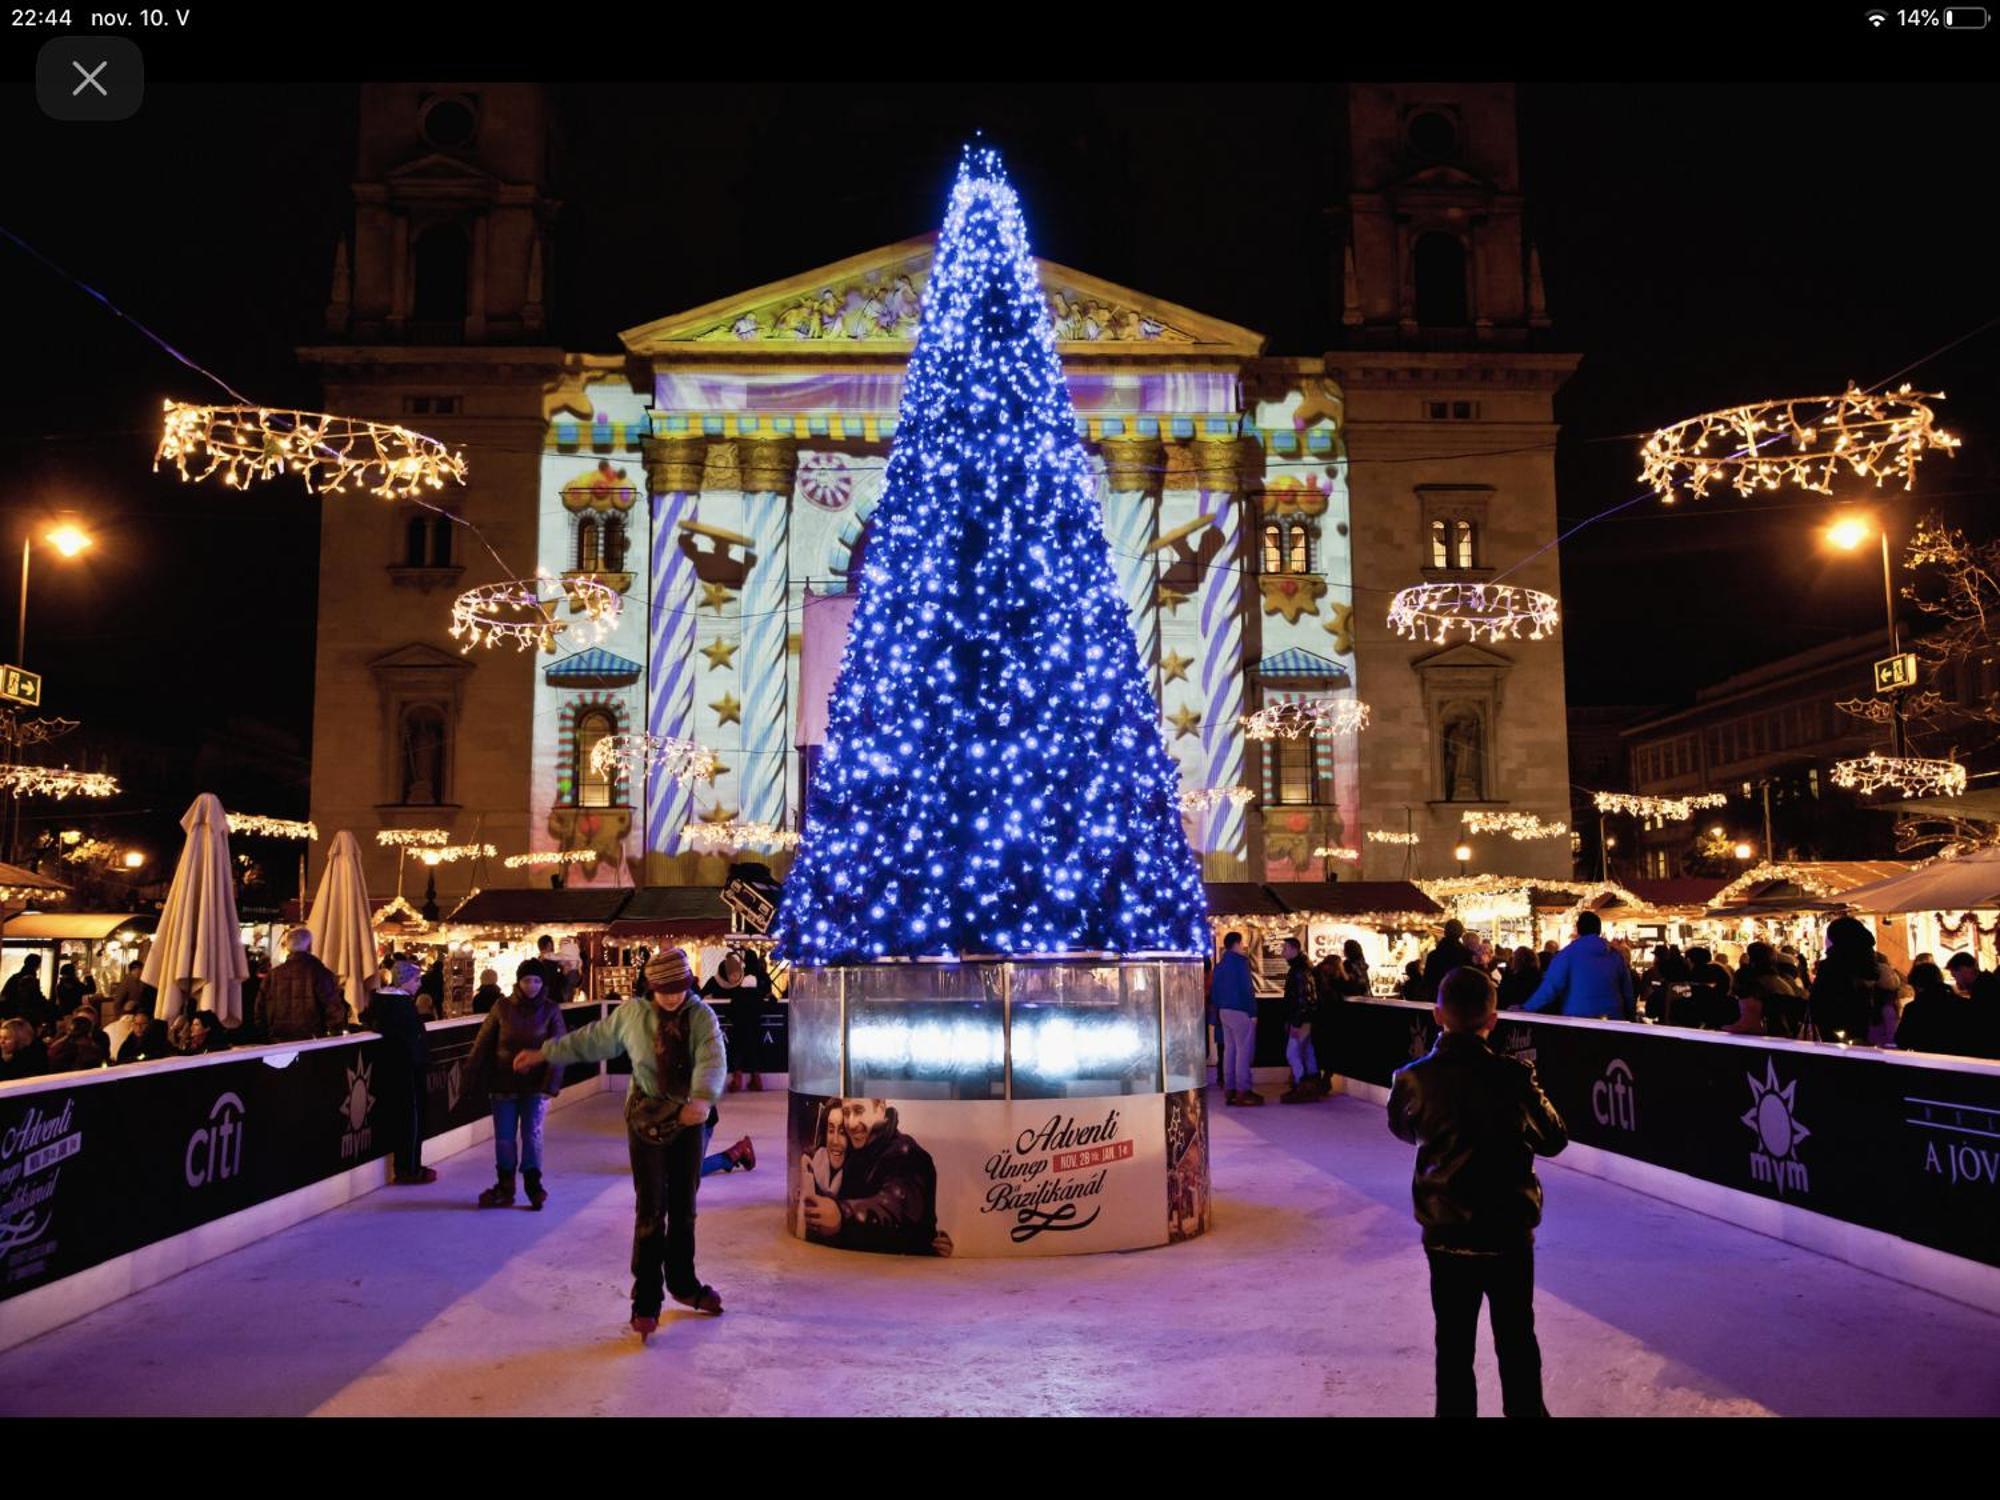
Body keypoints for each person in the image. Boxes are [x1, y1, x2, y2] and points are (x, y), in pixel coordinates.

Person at [515, 948, 726, 1340]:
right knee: (651, 1209)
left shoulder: (700, 1016)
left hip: (688, 1121)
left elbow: (712, 1056)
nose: (672, 997)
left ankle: (682, 1282)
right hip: (645, 1120)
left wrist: (701, 1097)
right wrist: (545, 1052)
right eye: (665, 990)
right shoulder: (633, 1015)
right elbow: (590, 1041)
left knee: (684, 1206)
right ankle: (646, 1300)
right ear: (651, 988)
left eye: (679, 988)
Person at [1389, 966, 1567, 1419]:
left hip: (1445, 1231)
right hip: (1507, 1230)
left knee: (1452, 1343)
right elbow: (1554, 1138)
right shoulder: (1515, 1077)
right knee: (1516, 1338)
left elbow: (1403, 1129)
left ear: (1436, 1015)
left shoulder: (1412, 1079)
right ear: (1493, 1020)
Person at [467, 960, 568, 1210]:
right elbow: (483, 1043)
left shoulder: (551, 1010)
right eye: (526, 980)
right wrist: (471, 1076)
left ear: (543, 983)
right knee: (504, 1138)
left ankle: (533, 1185)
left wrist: (550, 1085)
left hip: (535, 1087)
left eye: (536, 980)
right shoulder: (501, 1007)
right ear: (518, 982)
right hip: (502, 1084)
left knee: (532, 1135)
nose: (531, 986)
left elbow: (560, 1049)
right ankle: (505, 1186)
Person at [364, 959, 437, 1185]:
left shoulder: (384, 1005)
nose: (419, 984)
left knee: (404, 1118)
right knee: (411, 1118)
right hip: (407, 1070)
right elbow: (409, 1040)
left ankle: (408, 1166)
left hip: (396, 1069)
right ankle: (409, 1168)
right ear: (405, 980)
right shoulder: (401, 1008)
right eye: (416, 979)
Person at [1524, 913, 1634, 1020]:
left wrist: (1526, 1008)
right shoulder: (1615, 956)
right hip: (1612, 1018)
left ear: (1578, 928)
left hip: (1578, 1019)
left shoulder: (1567, 954)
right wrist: (1630, 1013)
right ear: (1599, 930)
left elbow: (1550, 988)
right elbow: (1627, 990)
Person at [257, 927, 348, 1042]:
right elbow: (333, 1007)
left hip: (278, 1041)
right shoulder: (320, 973)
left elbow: (260, 1010)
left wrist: (265, 1036)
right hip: (312, 1041)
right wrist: (336, 1033)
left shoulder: (273, 975)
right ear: (309, 946)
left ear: (288, 948)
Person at [1808, 917, 1884, 1044]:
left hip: (1839, 1028)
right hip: (1864, 1024)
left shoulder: (1834, 963)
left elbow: (1820, 1002)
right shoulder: (1865, 954)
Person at [1211, 932, 1261, 1106]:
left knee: (1229, 1051)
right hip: (1240, 1010)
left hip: (1224, 1011)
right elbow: (1247, 989)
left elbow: (1214, 993)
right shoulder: (1241, 963)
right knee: (1243, 1051)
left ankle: (1229, 1088)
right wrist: (1253, 1012)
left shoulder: (1220, 966)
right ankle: (1243, 1090)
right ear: (1237, 944)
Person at [702, 952, 762, 1094]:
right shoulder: (714, 981)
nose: (734, 978)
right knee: (745, 1051)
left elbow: (734, 1007)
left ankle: (740, 1079)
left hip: (739, 1025)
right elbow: (702, 993)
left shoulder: (743, 985)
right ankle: (745, 1079)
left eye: (737, 974)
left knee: (739, 1052)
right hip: (745, 1025)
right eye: (731, 975)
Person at [1279, 937, 1322, 1103]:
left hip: (1301, 1019)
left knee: (1292, 1052)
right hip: (1306, 1018)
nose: (1282, 952)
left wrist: (1295, 1022)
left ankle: (1301, 1084)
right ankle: (1311, 1085)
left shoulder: (1298, 971)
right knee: (1307, 1051)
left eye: (1284, 948)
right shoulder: (1304, 968)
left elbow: (1302, 999)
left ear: (1293, 949)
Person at [1895, 961, 1970, 1056]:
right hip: (1961, 1064)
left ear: (1918, 986)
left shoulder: (1914, 1009)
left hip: (1928, 1064)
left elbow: (1902, 1042)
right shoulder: (1963, 1004)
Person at [1735, 942, 1806, 1039]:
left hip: (1775, 1037)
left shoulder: (1761, 984)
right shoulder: (1778, 981)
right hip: (1782, 1036)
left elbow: (1751, 1020)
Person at [1417, 921, 1474, 1002]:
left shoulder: (1433, 955)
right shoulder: (1467, 955)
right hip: (1460, 1001)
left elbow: (1427, 981)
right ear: (1461, 934)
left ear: (1445, 932)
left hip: (1437, 999)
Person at [0, 955, 50, 1031]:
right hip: (24, 1015)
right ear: (37, 965)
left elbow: (4, 996)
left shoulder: (14, 977)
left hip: (10, 1015)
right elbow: (36, 998)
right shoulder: (31, 979)